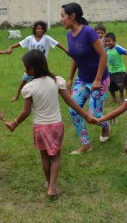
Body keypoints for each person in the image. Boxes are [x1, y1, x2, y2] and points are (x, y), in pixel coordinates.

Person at [6, 50, 99, 196]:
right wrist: (86, 115)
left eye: (26, 67)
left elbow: (26, 112)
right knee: (55, 156)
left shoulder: (29, 88)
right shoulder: (57, 81)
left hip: (39, 127)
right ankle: (52, 187)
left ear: (33, 69)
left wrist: (14, 123)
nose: (24, 70)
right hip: (56, 126)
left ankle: (48, 183)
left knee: (44, 156)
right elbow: (70, 101)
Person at [61, 2, 110, 154]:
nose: (61, 19)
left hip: (100, 79)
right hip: (82, 79)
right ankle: (86, 144)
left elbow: (103, 55)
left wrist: (97, 79)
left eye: (63, 16)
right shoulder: (69, 35)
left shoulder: (88, 32)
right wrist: (70, 78)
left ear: (73, 16)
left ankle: (105, 125)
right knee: (73, 110)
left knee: (94, 114)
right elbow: (75, 57)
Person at [8, 21, 68, 102]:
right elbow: (20, 43)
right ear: (35, 29)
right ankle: (17, 94)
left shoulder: (47, 38)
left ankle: (60, 89)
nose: (39, 30)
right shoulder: (29, 38)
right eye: (38, 29)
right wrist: (11, 47)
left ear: (44, 30)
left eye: (41, 29)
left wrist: (66, 50)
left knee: (48, 77)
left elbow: (57, 44)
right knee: (24, 80)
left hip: (42, 65)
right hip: (31, 65)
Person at [104, 32, 127, 104]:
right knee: (110, 87)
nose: (107, 43)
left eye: (109, 41)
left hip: (120, 71)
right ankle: (114, 98)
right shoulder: (106, 49)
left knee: (120, 86)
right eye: (106, 41)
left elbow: (125, 51)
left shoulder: (117, 48)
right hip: (111, 71)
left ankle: (122, 97)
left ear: (114, 41)